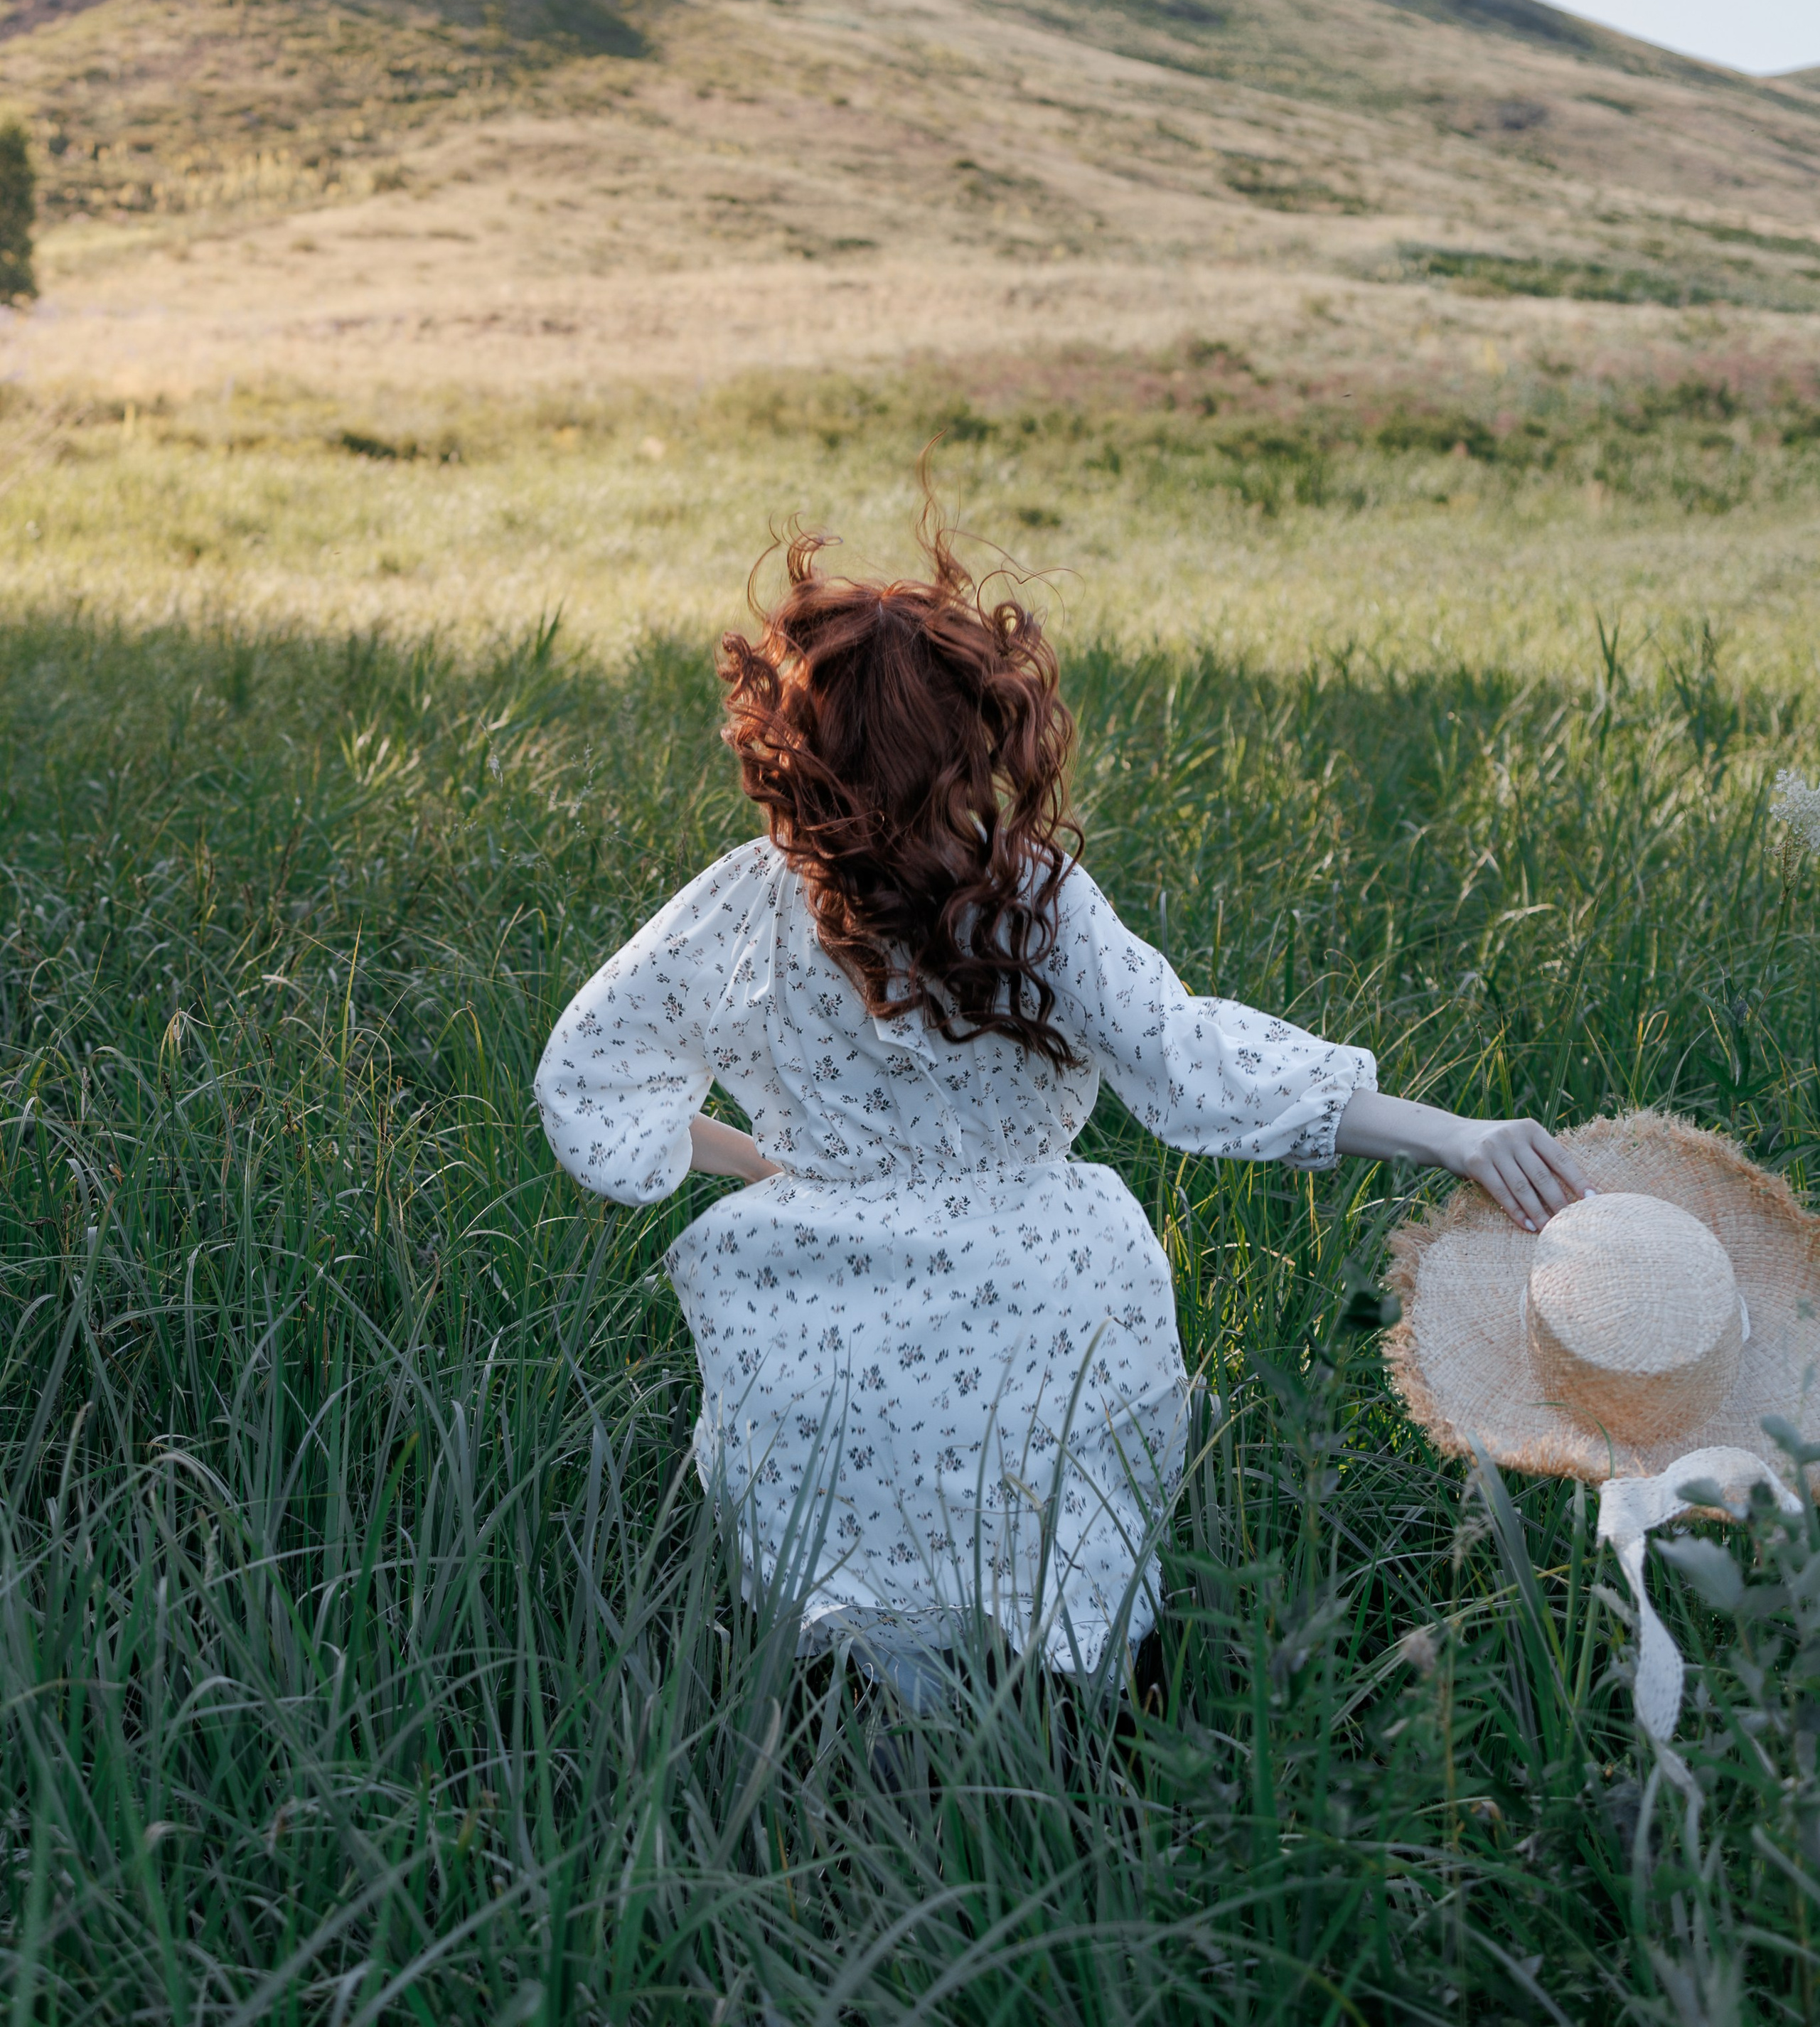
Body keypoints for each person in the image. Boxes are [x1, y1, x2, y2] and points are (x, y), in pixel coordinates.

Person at [535, 514, 1592, 1683]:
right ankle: (1077, 1768)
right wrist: (1455, 1136)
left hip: (815, 1305)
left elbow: (592, 1082)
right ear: (977, 736)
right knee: (1059, 1593)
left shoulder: (747, 902)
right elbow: (1200, 1066)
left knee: (861, 1634)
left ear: (802, 751)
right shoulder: (1029, 899)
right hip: (1044, 1296)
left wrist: (781, 1175)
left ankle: (866, 1785)